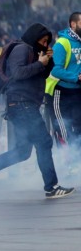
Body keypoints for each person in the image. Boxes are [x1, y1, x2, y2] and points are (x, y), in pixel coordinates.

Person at [0, 22, 75, 199]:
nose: (44, 45)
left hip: (24, 104)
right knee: (44, 142)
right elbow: (17, 73)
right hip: (21, 103)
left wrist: (47, 61)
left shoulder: (33, 52)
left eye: (46, 42)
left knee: (22, 151)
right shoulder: (22, 49)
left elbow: (40, 73)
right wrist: (40, 63)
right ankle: (51, 187)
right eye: (42, 41)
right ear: (34, 37)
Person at [46, 12, 81, 150]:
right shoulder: (62, 43)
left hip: (78, 92)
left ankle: (77, 164)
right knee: (64, 130)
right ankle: (68, 164)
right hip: (60, 94)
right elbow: (55, 69)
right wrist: (76, 77)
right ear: (73, 24)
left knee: (78, 129)